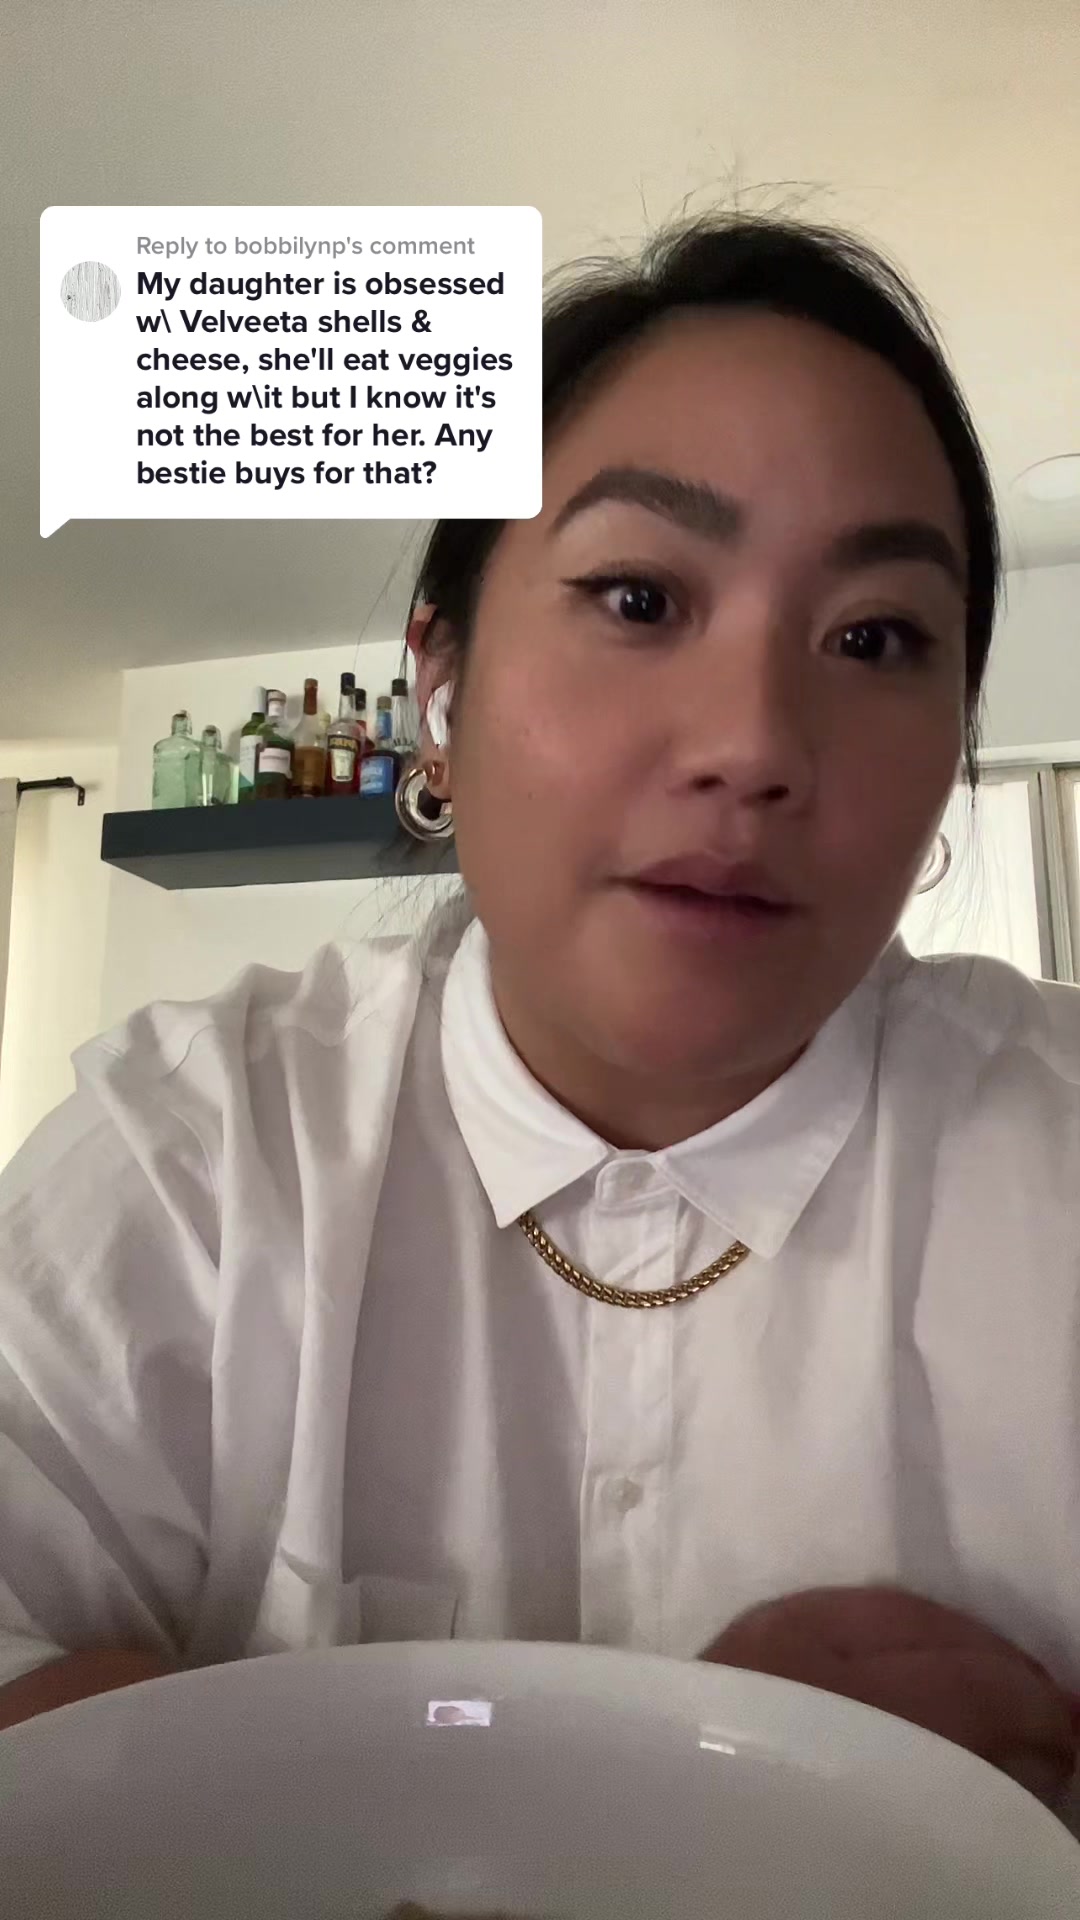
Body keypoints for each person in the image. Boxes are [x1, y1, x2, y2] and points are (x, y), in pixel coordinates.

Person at [2, 214, 1079, 1819]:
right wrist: (671, 1792)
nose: (751, 744)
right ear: (438, 687)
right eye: (639, 597)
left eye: (875, 639)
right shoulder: (198, 1157)